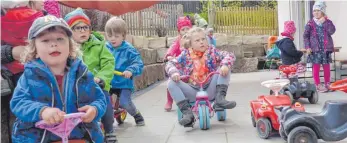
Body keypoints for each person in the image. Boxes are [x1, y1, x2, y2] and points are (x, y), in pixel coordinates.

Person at [10, 15, 106, 143]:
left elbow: (99, 99)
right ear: (35, 49)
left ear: (70, 46)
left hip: (79, 136)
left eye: (60, 39)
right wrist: (41, 111)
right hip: (38, 138)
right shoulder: (29, 76)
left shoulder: (83, 74)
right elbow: (18, 102)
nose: (54, 44)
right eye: (45, 40)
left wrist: (94, 109)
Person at [64, 8, 117, 143]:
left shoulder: (99, 46)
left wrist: (101, 78)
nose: (83, 31)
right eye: (78, 28)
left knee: (104, 100)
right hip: (76, 87)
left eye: (85, 27)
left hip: (97, 83)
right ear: (69, 32)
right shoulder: (68, 48)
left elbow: (108, 63)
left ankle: (110, 130)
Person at [165, 27, 237, 126]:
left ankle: (220, 98)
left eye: (203, 39)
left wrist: (225, 64)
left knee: (224, 68)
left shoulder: (212, 51)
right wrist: (174, 73)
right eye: (197, 40)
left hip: (210, 88)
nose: (201, 42)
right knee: (171, 83)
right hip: (193, 90)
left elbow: (229, 55)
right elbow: (170, 63)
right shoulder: (185, 55)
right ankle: (187, 113)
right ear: (190, 44)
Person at [105, 17, 145, 126]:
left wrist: (130, 70)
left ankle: (136, 114)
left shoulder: (129, 49)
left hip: (124, 82)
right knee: (102, 100)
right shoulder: (105, 48)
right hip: (109, 81)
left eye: (116, 36)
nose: (112, 39)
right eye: (109, 36)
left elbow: (138, 63)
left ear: (123, 35)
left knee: (125, 102)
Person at [304, 1, 336, 92]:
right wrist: (307, 47)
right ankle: (317, 84)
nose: (316, 13)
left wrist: (325, 22)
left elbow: (332, 31)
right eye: (314, 11)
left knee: (326, 67)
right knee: (316, 67)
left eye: (318, 10)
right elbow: (305, 36)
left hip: (325, 49)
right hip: (315, 50)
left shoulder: (328, 22)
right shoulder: (310, 24)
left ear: (323, 12)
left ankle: (327, 83)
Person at [164, 16, 192, 111]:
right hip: (180, 65)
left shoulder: (193, 39)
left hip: (192, 65)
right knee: (172, 80)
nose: (185, 31)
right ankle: (169, 101)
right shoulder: (178, 41)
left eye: (187, 29)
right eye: (183, 29)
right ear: (179, 31)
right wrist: (169, 55)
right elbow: (172, 48)